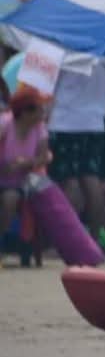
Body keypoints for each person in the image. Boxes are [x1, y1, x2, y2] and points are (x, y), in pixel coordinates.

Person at [47, 57, 105, 234]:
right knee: (91, 177)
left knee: (68, 179)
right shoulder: (103, 53)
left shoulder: (64, 51)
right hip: (95, 123)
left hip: (64, 122)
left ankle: (69, 236)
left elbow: (45, 86)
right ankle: (94, 236)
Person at [0, 85, 51, 247]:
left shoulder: (40, 128)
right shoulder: (5, 123)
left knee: (11, 199)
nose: (43, 112)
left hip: (23, 182)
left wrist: (26, 163)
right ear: (24, 112)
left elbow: (43, 157)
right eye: (39, 108)